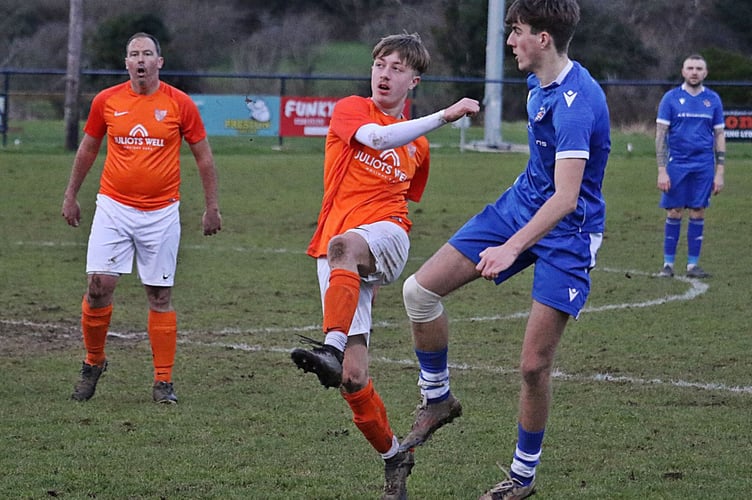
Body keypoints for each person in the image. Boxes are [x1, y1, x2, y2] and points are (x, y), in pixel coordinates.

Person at [396, 1, 611, 498]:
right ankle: (437, 399)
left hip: (569, 233)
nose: (510, 41)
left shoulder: (579, 102)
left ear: (543, 38)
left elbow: (566, 197)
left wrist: (511, 248)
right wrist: (510, 231)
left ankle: (521, 478)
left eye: (516, 32)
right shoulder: (537, 83)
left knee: (533, 366)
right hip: (516, 209)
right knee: (419, 293)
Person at [289, 32, 479, 499]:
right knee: (353, 379)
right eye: (379, 64)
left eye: (396, 68)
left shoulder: (419, 148)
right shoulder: (352, 109)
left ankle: (329, 348)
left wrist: (433, 123)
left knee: (342, 248)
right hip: (339, 257)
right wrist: (443, 116)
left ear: (413, 80)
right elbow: (376, 137)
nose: (384, 74)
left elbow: (405, 196)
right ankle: (395, 455)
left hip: (386, 236)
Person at [62, 32, 222, 404]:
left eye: (147, 54)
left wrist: (211, 206)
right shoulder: (107, 100)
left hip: (162, 213)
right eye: (134, 54)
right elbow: (88, 148)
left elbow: (204, 157)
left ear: (159, 62)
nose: (140, 60)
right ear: (126, 63)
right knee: (98, 285)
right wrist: (70, 194)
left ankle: (163, 382)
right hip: (114, 208)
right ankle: (93, 362)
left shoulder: (180, 104)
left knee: (159, 294)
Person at [655, 54, 725, 279]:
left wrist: (720, 171)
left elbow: (719, 134)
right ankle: (668, 265)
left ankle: (693, 266)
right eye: (690, 68)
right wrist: (662, 169)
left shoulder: (713, 100)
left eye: (699, 68)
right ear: (683, 71)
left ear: (705, 73)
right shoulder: (671, 98)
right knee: (674, 211)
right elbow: (660, 135)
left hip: (704, 164)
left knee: (698, 210)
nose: (694, 72)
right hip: (678, 164)